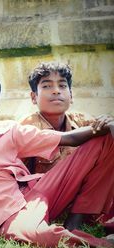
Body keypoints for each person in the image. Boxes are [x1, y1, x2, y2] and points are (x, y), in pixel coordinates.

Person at [0, 68, 114, 248]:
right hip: (5, 215)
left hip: (36, 193)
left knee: (106, 140)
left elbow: (69, 138)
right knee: (42, 237)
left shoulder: (9, 130)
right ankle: (103, 245)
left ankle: (74, 223)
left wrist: (107, 125)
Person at [21, 61, 114, 233]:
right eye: (47, 86)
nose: (56, 90)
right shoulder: (28, 127)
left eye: (62, 86)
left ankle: (82, 217)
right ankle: (73, 225)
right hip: (46, 197)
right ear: (33, 97)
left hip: (82, 197)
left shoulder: (83, 120)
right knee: (100, 135)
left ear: (71, 95)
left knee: (107, 134)